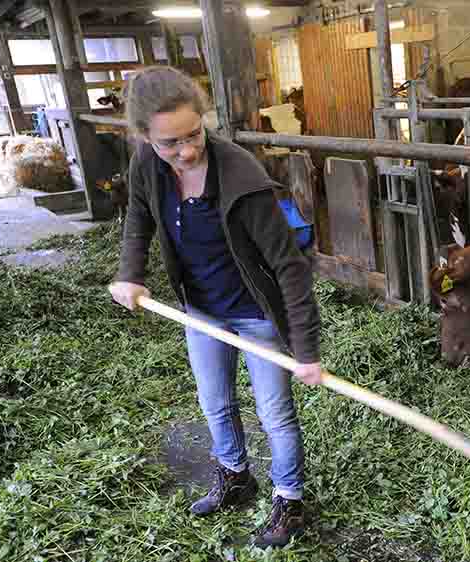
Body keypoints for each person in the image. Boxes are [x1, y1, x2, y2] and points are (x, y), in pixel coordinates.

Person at [108, 65, 321, 548]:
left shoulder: (242, 174)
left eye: (193, 134)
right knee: (215, 403)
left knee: (275, 413)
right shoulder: (145, 165)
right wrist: (130, 275)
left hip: (255, 313)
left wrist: (305, 349)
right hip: (199, 309)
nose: (186, 151)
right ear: (145, 137)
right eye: (170, 143)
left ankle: (289, 502)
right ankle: (235, 475)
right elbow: (138, 221)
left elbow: (289, 266)